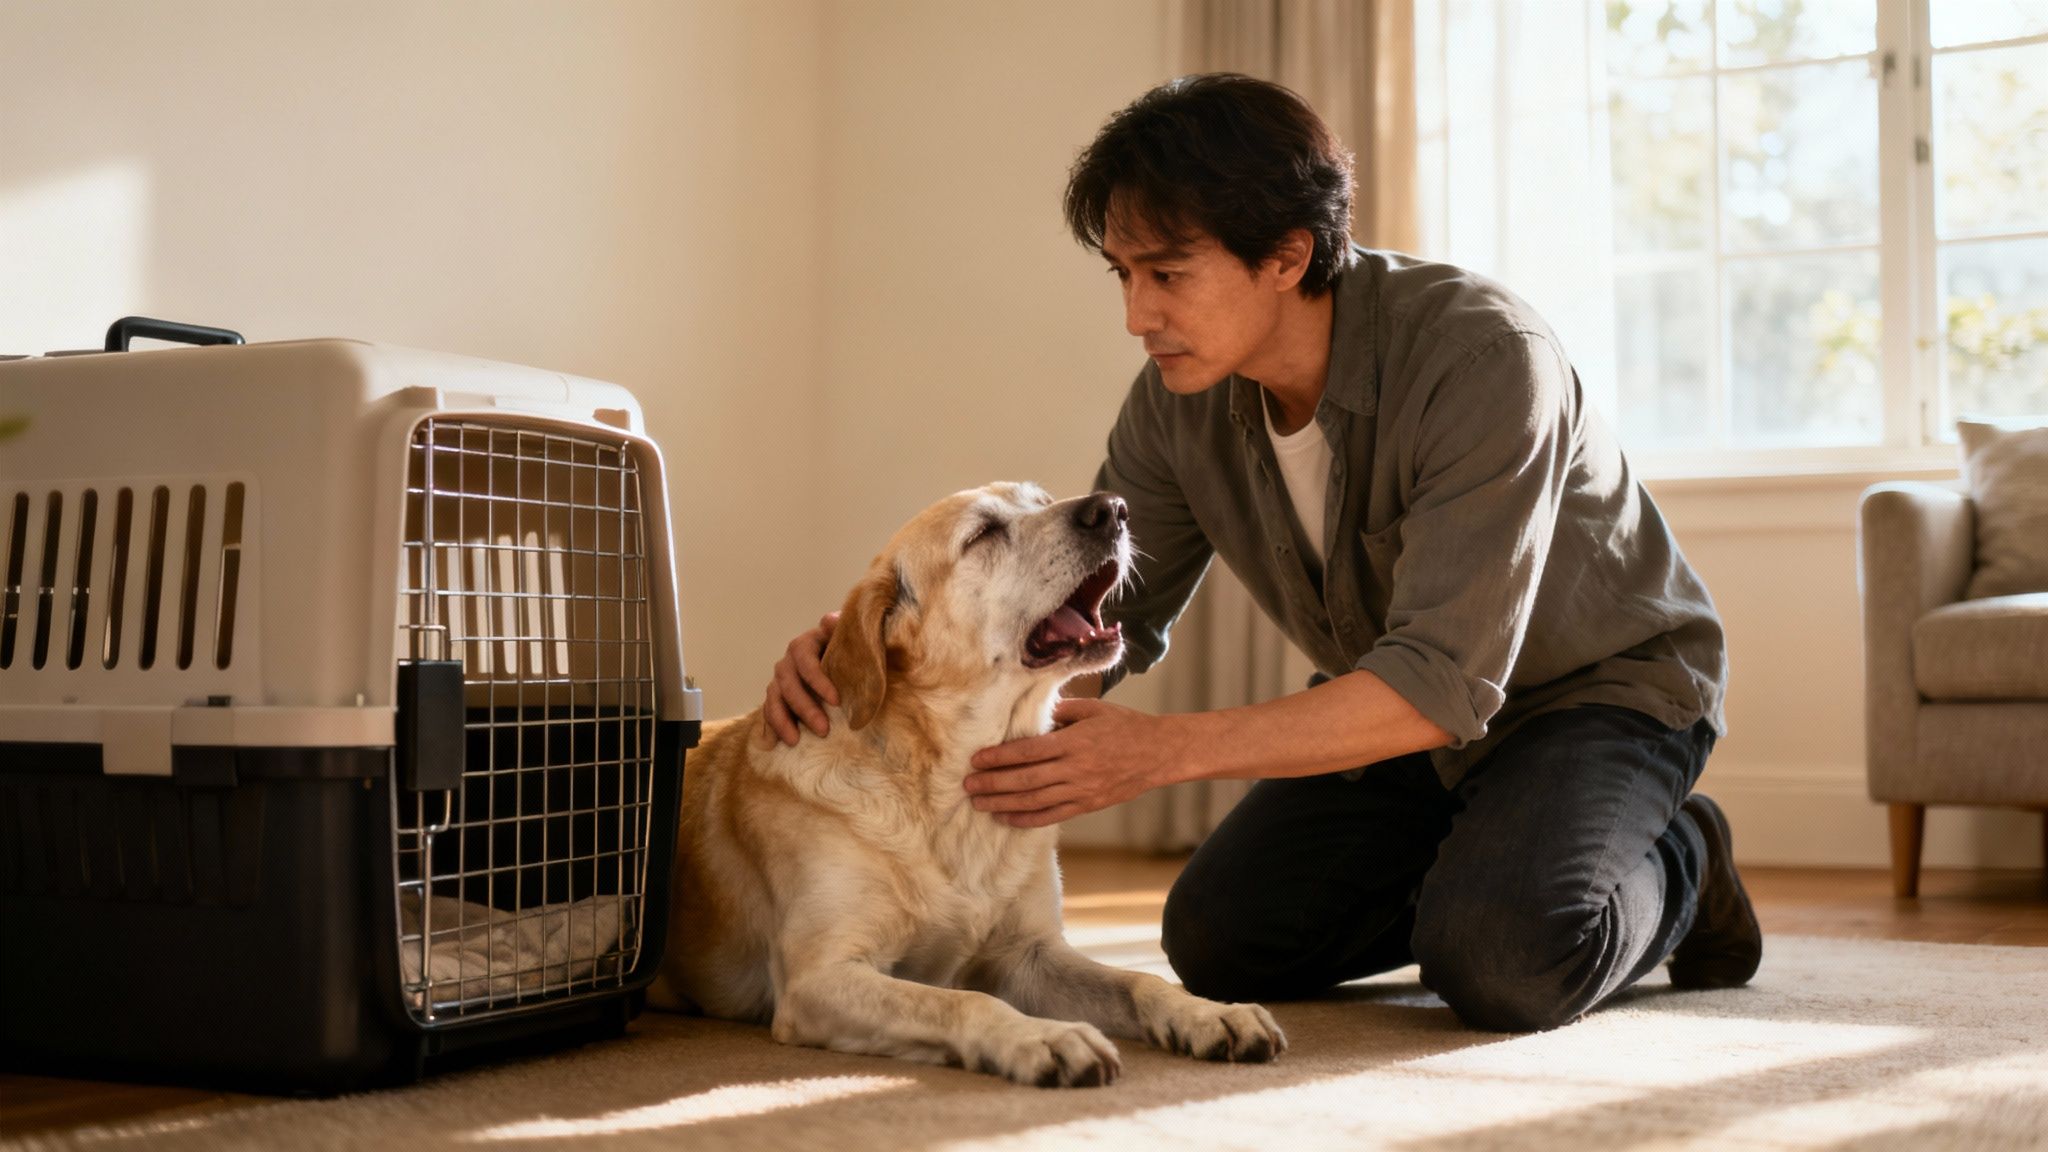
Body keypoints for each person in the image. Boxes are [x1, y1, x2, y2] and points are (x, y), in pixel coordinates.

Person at [762, 73, 1760, 1033]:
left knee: (1501, 960)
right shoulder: (1175, 400)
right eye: (1121, 273)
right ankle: (1497, 856)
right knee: (1220, 940)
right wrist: (864, 665)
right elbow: (1091, 623)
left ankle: (1682, 854)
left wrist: (1165, 752)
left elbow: (1436, 684)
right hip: (1400, 716)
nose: (1134, 314)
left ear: (1285, 255)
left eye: (1166, 273)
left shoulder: (1483, 359)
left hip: (1595, 697)